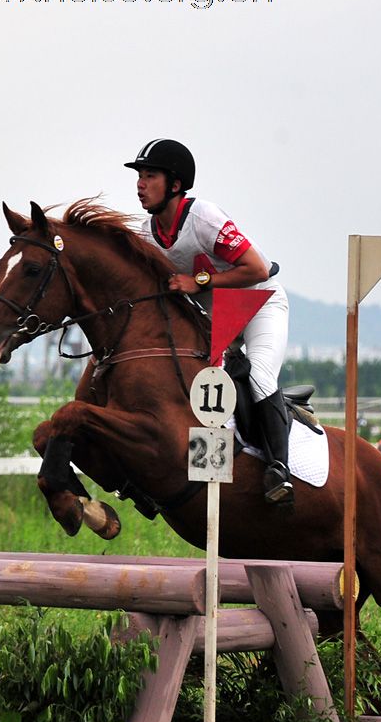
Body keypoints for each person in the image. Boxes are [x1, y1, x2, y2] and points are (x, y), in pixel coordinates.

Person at [124, 138, 293, 508]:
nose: (139, 184)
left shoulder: (204, 218)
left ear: (174, 184)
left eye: (149, 176)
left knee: (259, 376)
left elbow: (256, 268)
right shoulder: (145, 234)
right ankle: (197, 480)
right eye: (138, 176)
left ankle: (280, 470)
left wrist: (197, 282)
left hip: (258, 303)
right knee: (199, 389)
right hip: (214, 318)